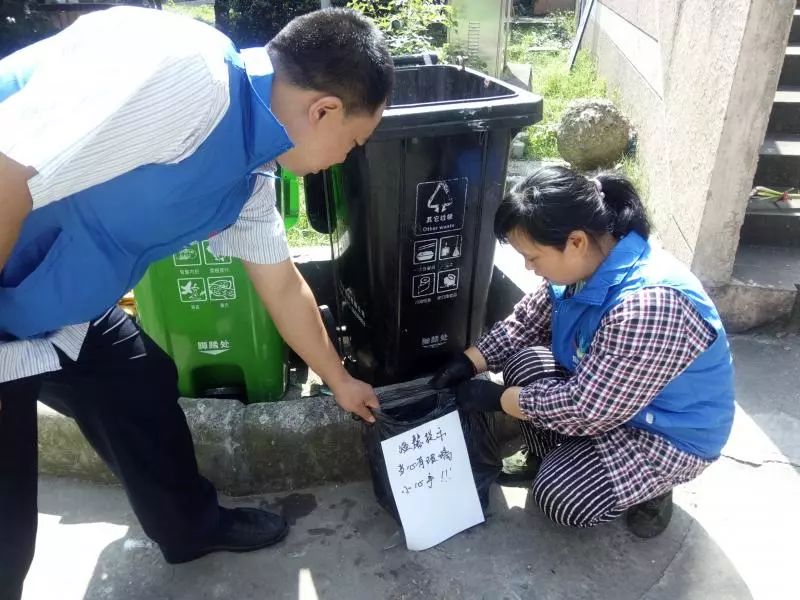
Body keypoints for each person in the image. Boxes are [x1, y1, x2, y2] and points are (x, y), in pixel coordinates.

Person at [0, 6, 393, 597]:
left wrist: (337, 379)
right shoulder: (191, 77)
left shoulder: (252, 173)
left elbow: (283, 284)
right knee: (7, 535)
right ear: (324, 111)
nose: (345, 158)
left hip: (55, 302)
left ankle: (190, 527)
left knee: (138, 382)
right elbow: (7, 170)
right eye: (354, 142)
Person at [430, 166, 735, 538]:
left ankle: (652, 489)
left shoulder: (649, 307)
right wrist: (470, 361)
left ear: (575, 241)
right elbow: (525, 323)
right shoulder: (587, 265)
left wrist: (498, 398)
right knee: (525, 361)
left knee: (561, 496)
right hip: (611, 402)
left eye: (533, 256)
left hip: (664, 434)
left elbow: (587, 409)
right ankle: (553, 456)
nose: (527, 266)